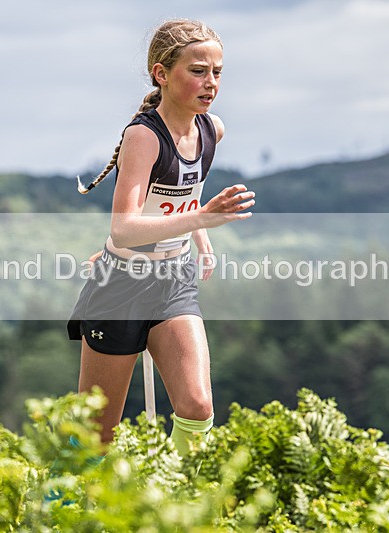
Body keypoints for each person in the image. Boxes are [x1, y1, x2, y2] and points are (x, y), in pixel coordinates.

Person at [67, 19, 255, 457]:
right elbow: (124, 227)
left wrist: (200, 236)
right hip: (120, 288)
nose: (211, 83)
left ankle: (175, 504)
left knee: (197, 406)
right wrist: (202, 221)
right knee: (95, 438)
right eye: (198, 71)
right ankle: (60, 515)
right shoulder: (143, 137)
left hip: (174, 281)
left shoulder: (212, 130)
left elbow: (188, 191)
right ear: (162, 74)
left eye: (218, 72)